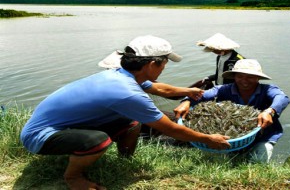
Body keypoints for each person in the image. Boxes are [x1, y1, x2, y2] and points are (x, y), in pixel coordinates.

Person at [20, 35, 230, 190]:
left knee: (132, 122)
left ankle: (124, 160)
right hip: (41, 137)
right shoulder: (126, 92)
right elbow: (171, 129)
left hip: (63, 126)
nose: (165, 67)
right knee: (98, 140)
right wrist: (208, 139)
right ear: (152, 64)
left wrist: (189, 91)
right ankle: (73, 178)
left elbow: (162, 89)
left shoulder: (123, 74)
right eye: (165, 62)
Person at [174, 59, 290, 163]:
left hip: (263, 136)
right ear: (234, 76)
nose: (244, 80)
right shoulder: (224, 89)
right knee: (219, 162)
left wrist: (270, 111)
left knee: (258, 162)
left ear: (258, 78)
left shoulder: (268, 89)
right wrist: (187, 101)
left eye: (249, 77)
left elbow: (282, 98)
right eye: (240, 76)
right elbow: (202, 95)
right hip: (230, 138)